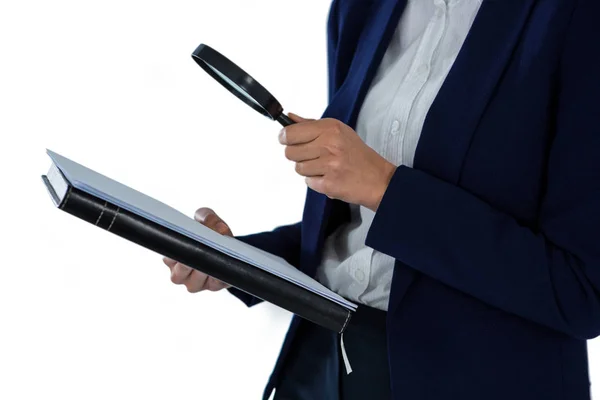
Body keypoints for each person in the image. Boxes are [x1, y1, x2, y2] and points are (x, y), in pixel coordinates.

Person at [163, 0, 600, 398]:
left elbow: (581, 291)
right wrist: (235, 258)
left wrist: (386, 187)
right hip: (317, 365)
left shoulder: (575, 18)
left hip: (474, 379)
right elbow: (358, 230)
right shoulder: (360, 9)